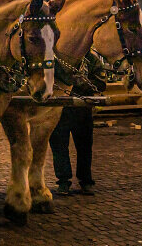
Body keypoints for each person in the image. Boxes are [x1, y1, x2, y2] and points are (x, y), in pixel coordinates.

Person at [49, 52, 106, 196]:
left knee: (84, 147)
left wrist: (82, 82)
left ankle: (85, 181)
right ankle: (63, 181)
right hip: (60, 110)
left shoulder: (91, 61)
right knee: (59, 147)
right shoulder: (57, 58)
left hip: (82, 111)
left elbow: (101, 84)